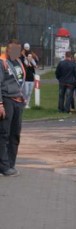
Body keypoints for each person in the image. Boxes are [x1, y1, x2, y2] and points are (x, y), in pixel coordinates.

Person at [0, 39, 27, 176]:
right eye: (12, 49)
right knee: (4, 133)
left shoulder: (19, 62)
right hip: (6, 100)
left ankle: (11, 164)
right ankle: (3, 166)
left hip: (18, 101)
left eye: (18, 49)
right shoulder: (2, 62)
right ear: (7, 50)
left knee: (15, 134)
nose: (15, 52)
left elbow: (21, 82)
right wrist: (0, 104)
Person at [20, 43, 39, 109]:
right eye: (29, 56)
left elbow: (36, 63)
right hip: (26, 79)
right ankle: (23, 103)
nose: (30, 57)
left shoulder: (33, 62)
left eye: (31, 57)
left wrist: (34, 59)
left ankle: (27, 104)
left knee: (30, 93)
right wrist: (26, 59)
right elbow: (22, 60)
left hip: (31, 79)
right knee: (25, 92)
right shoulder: (24, 61)